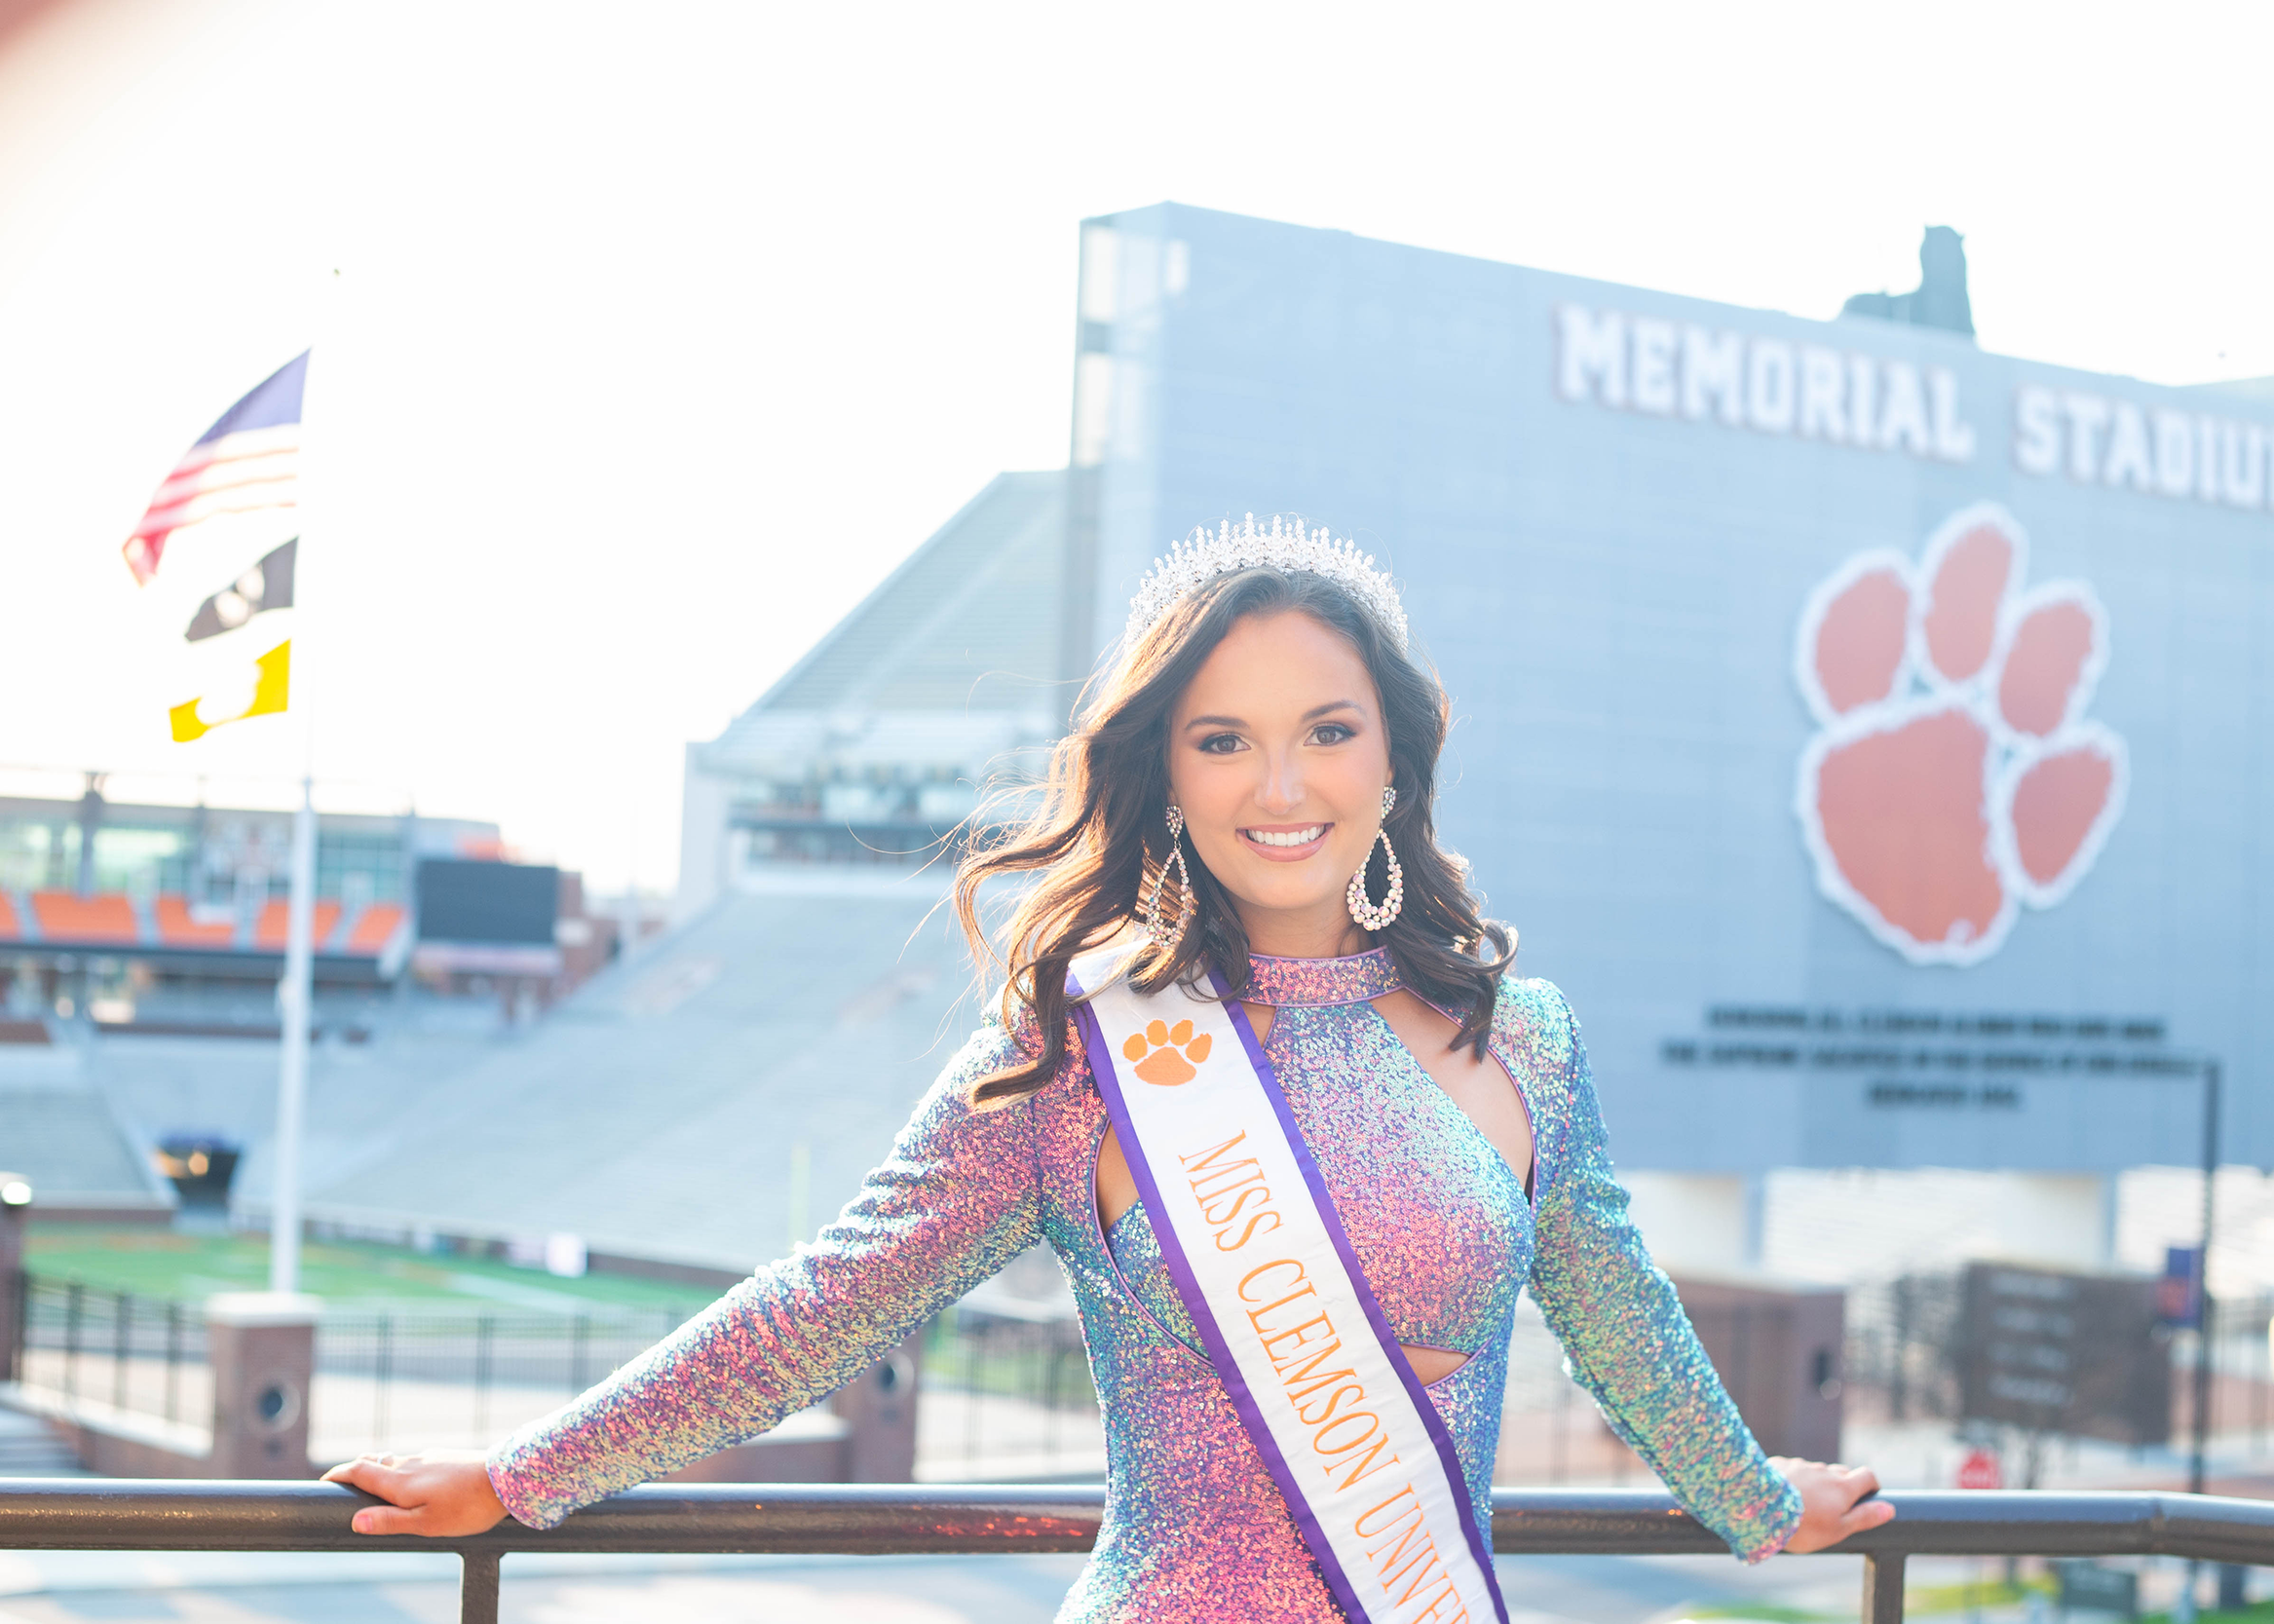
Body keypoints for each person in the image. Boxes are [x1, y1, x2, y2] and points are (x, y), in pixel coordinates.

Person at [328, 517, 1894, 1620]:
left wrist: (1753, 1497)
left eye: (1326, 730)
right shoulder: (1086, 1046)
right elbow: (829, 1302)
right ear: (1166, 768)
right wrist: (523, 1472)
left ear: (1395, 754)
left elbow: (1615, 1307)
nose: (1281, 784)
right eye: (1222, 739)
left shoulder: (1520, 1038)